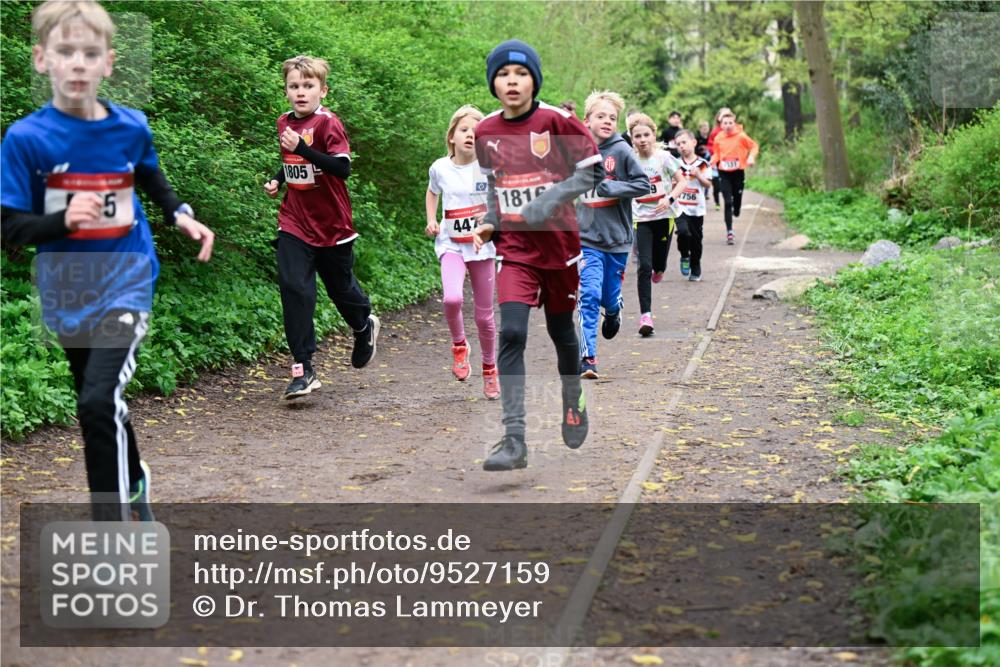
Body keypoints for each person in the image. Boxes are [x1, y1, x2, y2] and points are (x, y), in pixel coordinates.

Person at [0, 0, 215, 521]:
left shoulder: (130, 126)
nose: (77, 63)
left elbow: (148, 173)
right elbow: (9, 229)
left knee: (98, 403)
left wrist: (179, 213)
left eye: (89, 53)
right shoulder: (26, 140)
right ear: (41, 59)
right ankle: (135, 482)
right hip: (68, 287)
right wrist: (64, 220)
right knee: (97, 406)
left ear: (108, 63)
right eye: (65, 51)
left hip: (128, 279)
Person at [471, 39, 602, 471]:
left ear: (534, 80)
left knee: (562, 333)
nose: (512, 81)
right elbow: (495, 186)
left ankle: (572, 397)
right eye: (504, 74)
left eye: (521, 74)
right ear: (493, 82)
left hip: (560, 246)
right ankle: (514, 439)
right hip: (516, 249)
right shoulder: (486, 131)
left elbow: (593, 171)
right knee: (512, 333)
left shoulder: (557, 121)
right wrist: (491, 220)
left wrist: (549, 201)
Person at [264, 55, 379, 400]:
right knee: (294, 287)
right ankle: (303, 368)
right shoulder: (284, 122)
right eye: (294, 86)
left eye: (308, 86)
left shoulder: (329, 123)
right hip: (295, 221)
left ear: (322, 90)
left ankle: (363, 324)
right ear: (286, 91)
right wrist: (276, 178)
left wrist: (303, 148)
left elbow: (341, 168)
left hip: (332, 226)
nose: (301, 92)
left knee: (339, 288)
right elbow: (292, 162)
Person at [424, 105, 499, 399]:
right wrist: (432, 219)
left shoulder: (488, 167)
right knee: (452, 297)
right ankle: (459, 345)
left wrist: (490, 221)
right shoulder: (440, 167)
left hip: (482, 247)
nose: (471, 135)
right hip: (452, 244)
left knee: (485, 317)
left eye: (477, 132)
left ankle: (490, 369)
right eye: (465, 130)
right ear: (452, 136)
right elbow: (432, 192)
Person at [577, 91, 650, 378]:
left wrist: (613, 187)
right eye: (601, 116)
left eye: (612, 118)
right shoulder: (576, 152)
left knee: (608, 297)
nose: (607, 121)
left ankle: (615, 309)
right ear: (587, 120)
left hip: (617, 241)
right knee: (589, 295)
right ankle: (588, 358)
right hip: (586, 240)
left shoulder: (621, 151)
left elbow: (643, 185)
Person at [628, 113, 685, 337]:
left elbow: (682, 181)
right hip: (641, 218)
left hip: (664, 216)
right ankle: (646, 316)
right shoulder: (629, 160)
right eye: (637, 136)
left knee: (658, 265)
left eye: (646, 135)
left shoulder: (664, 158)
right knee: (643, 265)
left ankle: (660, 269)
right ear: (632, 139)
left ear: (653, 135)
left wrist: (668, 198)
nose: (642, 139)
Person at [709, 111, 759, 245]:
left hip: (738, 172)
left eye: (730, 123)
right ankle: (729, 232)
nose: (728, 125)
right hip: (724, 173)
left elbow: (754, 146)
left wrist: (751, 157)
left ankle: (737, 208)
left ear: (734, 122)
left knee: (737, 199)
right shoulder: (718, 138)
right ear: (721, 124)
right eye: (725, 123)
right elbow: (716, 154)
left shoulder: (741, 136)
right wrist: (710, 162)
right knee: (727, 202)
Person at [673, 130, 713, 282]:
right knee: (683, 232)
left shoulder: (703, 164)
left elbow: (708, 183)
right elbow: (669, 183)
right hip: (680, 206)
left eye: (684, 142)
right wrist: (674, 183)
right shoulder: (675, 163)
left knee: (696, 240)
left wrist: (698, 176)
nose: (681, 146)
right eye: (678, 144)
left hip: (697, 207)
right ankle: (684, 255)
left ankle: (695, 265)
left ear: (694, 142)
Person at [707, 107, 732, 211]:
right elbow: (710, 146)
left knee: (730, 183)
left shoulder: (734, 131)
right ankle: (717, 202)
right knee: (717, 186)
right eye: (723, 115)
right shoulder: (715, 132)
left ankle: (730, 202)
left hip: (731, 162)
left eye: (728, 114)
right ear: (718, 118)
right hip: (717, 162)